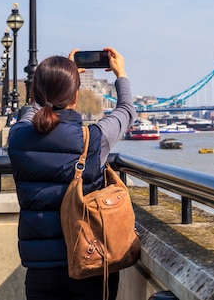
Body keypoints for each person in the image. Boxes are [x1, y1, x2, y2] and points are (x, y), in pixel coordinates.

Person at [8, 47, 136, 300]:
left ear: (34, 92)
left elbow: (31, 112)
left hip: (40, 268)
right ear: (76, 96)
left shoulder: (18, 136)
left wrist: (62, 76)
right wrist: (121, 75)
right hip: (90, 263)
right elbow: (126, 111)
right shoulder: (93, 139)